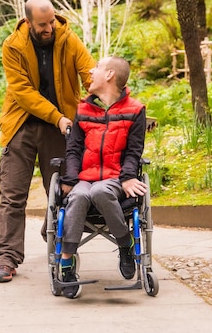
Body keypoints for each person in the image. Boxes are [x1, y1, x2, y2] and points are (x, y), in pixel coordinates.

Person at [0, 0, 96, 283]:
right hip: (21, 124)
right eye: (42, 24)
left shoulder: (67, 38)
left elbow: (89, 72)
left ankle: (57, 239)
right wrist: (58, 117)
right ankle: (7, 257)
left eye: (51, 21)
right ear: (28, 22)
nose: (49, 28)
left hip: (60, 126)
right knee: (12, 195)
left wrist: (106, 92)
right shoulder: (13, 46)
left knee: (64, 192)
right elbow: (23, 92)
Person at [58, 56, 147, 298]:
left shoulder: (135, 110)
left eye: (96, 67)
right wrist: (70, 179)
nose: (90, 70)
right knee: (78, 196)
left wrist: (128, 176)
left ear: (109, 75)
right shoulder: (82, 110)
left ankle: (124, 244)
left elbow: (134, 151)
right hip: (85, 179)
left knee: (100, 191)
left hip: (114, 179)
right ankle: (66, 263)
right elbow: (74, 149)